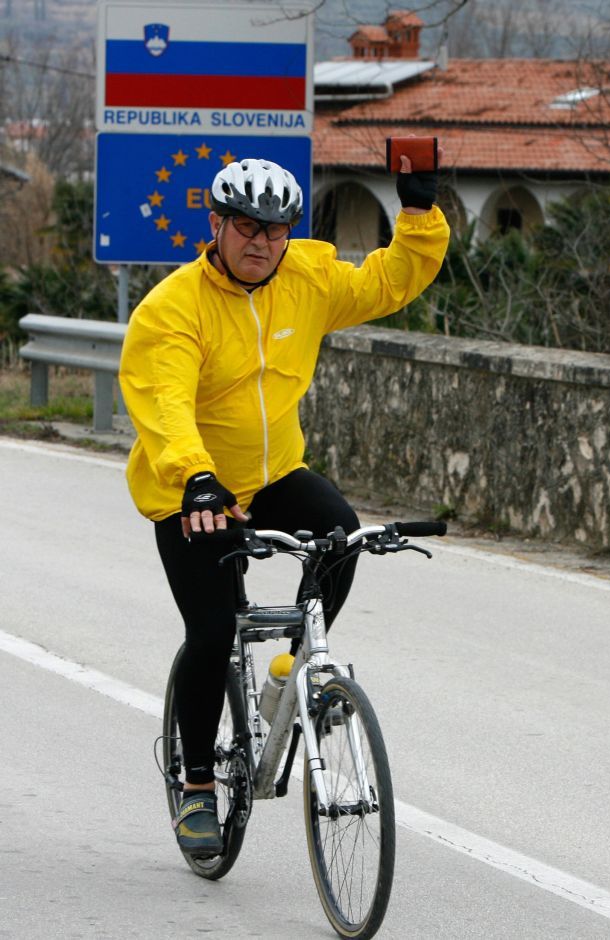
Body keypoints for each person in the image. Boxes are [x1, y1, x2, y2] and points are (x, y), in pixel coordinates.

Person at [119, 154, 450, 856]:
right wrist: (195, 478)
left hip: (272, 474)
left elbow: (388, 281)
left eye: (274, 229)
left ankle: (299, 664)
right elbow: (164, 399)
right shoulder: (175, 308)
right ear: (216, 224)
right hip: (191, 490)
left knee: (341, 532)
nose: (260, 242)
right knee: (211, 630)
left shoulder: (308, 277)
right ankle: (201, 786)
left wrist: (419, 216)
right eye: (245, 226)